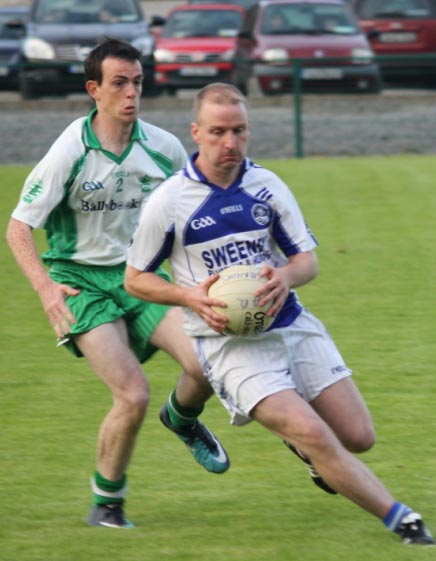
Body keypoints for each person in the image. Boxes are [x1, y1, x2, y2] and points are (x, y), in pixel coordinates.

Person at [124, 82, 435, 545]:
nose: (229, 142)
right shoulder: (170, 201)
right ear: (196, 132)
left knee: (358, 436)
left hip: (291, 324)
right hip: (228, 347)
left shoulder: (267, 186)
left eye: (239, 131)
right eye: (217, 132)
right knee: (314, 433)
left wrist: (286, 277)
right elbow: (135, 279)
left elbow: (307, 260)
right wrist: (190, 298)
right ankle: (403, 520)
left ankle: (306, 443)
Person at [5, 39, 230, 530]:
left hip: (139, 277)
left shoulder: (163, 148)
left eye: (138, 83)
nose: (131, 94)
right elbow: (18, 227)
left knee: (207, 363)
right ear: (94, 90)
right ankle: (107, 503)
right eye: (119, 84)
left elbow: (191, 216)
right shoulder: (70, 149)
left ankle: (183, 419)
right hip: (78, 280)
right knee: (132, 393)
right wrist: (45, 290)